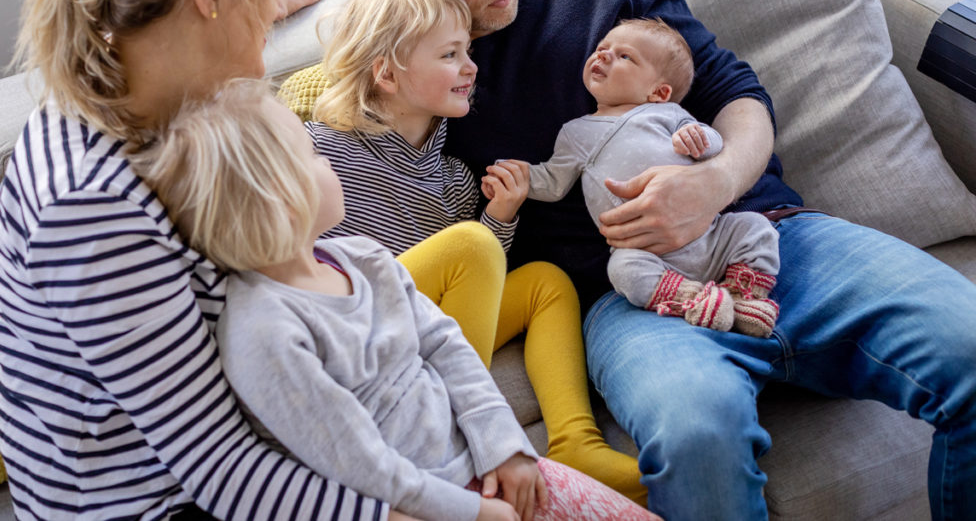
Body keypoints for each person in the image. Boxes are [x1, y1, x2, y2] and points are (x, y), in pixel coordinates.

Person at [363, 0, 976, 520]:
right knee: (695, 435)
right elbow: (317, 122)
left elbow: (738, 93)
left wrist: (713, 182)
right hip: (629, 301)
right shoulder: (411, 65)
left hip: (766, 236)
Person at [0, 0, 413, 521]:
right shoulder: (91, 207)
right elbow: (218, 464)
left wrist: (256, 10)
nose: (274, 10)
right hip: (153, 503)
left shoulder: (131, 80)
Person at [132, 77, 660, 521]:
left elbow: (445, 342)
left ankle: (573, 444)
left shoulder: (360, 256)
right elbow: (356, 461)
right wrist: (470, 511)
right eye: (313, 154)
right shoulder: (264, 331)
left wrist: (504, 446)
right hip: (435, 506)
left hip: (494, 465)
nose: (327, 158)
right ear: (276, 196)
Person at [304, 0, 643, 501]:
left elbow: (479, 281)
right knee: (471, 244)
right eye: (450, 55)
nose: (470, 67)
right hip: (368, 337)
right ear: (387, 75)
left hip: (437, 334)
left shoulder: (455, 175)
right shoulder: (323, 151)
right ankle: (451, 421)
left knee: (544, 281)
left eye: (467, 51)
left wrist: (500, 216)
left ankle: (575, 441)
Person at [487, 18, 781, 337]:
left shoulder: (667, 114)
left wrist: (700, 137)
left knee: (755, 227)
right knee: (622, 270)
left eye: (624, 56)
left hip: (712, 237)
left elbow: (713, 146)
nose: (603, 56)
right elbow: (553, 182)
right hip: (649, 256)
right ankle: (691, 299)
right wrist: (519, 177)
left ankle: (743, 297)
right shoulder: (575, 133)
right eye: (601, 49)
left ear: (659, 92)